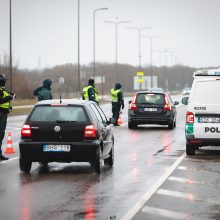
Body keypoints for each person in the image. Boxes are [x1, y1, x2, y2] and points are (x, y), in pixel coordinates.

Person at [0, 73, 15, 160]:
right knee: (0, 135)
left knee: (1, 135)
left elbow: (10, 94)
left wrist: (9, 105)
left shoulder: (3, 89)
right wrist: (9, 97)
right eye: (3, 80)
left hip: (3, 114)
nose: (4, 81)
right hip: (1, 114)